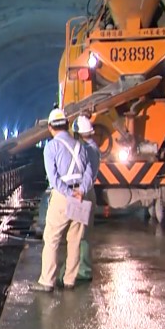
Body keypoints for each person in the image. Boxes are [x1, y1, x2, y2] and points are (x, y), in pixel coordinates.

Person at [31, 108, 94, 292]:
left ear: (50, 127)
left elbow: (53, 178)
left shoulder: (51, 147)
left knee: (52, 238)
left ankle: (47, 281)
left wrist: (68, 193)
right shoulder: (80, 145)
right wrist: (81, 190)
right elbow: (90, 172)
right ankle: (69, 280)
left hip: (63, 196)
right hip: (81, 195)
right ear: (67, 125)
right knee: (75, 239)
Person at [72, 115, 100, 282]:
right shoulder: (92, 147)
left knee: (79, 233)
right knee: (84, 233)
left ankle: (82, 270)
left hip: (84, 193)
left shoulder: (87, 149)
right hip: (89, 191)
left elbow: (87, 174)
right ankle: (83, 268)